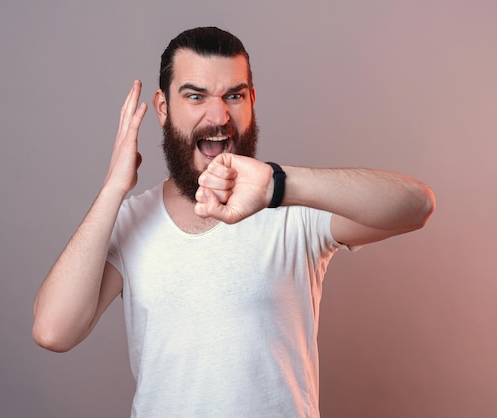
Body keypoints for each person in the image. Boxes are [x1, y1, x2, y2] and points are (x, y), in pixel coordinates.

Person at [32, 26, 435, 417]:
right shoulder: (131, 220)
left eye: (234, 95)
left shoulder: (292, 207)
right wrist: (113, 189)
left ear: (252, 100)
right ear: (162, 108)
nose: (219, 115)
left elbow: (416, 206)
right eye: (195, 96)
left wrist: (279, 185)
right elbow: (53, 331)